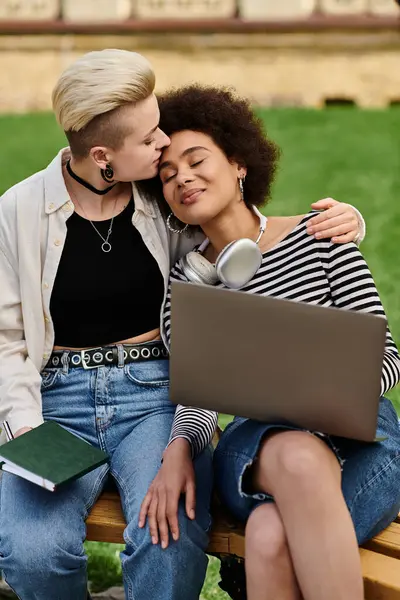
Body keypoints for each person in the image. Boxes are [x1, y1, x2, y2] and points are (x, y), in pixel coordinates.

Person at [0, 49, 364, 599]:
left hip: (155, 395)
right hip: (53, 399)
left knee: (167, 535)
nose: (163, 146)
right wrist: (26, 432)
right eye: (150, 139)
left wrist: (343, 219)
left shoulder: (164, 193)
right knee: (31, 553)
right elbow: (6, 341)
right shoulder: (19, 211)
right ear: (103, 157)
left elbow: (241, 231)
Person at [142, 84, 400, 600]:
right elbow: (202, 395)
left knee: (267, 535)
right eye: (167, 176)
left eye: (197, 161)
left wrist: (321, 389)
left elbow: (387, 362)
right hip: (260, 451)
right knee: (297, 455)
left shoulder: (322, 237)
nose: (183, 178)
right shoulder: (185, 286)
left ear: (239, 164)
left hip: (361, 444)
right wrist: (179, 447)